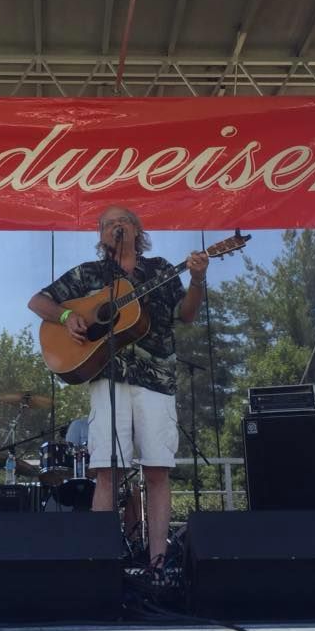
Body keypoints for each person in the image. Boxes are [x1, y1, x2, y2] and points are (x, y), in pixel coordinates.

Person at [28, 205, 208, 572]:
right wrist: (66, 316)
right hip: (109, 376)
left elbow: (186, 314)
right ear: (101, 236)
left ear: (137, 229)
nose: (115, 228)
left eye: (122, 222)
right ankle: (101, 564)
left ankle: (157, 562)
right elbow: (38, 301)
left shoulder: (159, 270)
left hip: (156, 378)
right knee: (106, 471)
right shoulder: (90, 274)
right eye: (108, 224)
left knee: (157, 470)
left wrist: (198, 280)